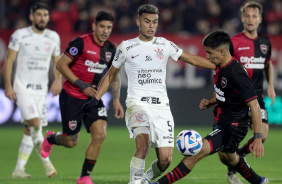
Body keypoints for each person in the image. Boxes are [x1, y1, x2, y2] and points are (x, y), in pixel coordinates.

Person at [83, 4, 215, 184]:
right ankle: (134, 182)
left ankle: (145, 181)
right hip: (137, 104)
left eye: (154, 22)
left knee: (165, 160)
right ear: (138, 22)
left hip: (161, 108)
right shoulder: (126, 47)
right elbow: (111, 74)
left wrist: (220, 65)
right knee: (143, 144)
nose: (151, 25)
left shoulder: (164, 44)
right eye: (147, 21)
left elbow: (191, 58)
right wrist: (96, 99)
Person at [143, 31, 269, 184]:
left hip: (233, 127)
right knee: (228, 158)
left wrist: (257, 137)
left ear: (222, 51)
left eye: (210, 53)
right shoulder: (221, 66)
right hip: (223, 121)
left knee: (193, 155)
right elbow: (224, 90)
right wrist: (211, 101)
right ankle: (259, 181)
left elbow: (254, 105)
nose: (207, 57)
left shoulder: (237, 74)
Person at [40, 11, 124, 184]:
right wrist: (82, 85)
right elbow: (61, 64)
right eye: (102, 26)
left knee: (100, 134)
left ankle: (84, 176)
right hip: (72, 96)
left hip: (93, 98)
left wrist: (116, 99)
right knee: (71, 142)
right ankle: (50, 139)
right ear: (94, 26)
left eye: (109, 27)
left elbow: (114, 76)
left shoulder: (111, 50)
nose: (105, 31)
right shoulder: (80, 43)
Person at [3, 2, 61, 178]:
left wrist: (58, 80)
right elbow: (9, 60)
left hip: (41, 91)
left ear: (48, 17)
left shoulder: (53, 37)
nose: (42, 18)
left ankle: (18, 170)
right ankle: (48, 164)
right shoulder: (20, 35)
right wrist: (8, 85)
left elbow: (57, 62)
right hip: (22, 89)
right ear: (31, 17)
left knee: (30, 130)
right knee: (35, 124)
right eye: (39, 15)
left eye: (45, 15)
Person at [225, 2, 276, 183]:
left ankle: (236, 162)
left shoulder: (265, 42)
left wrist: (271, 85)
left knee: (261, 135)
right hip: (237, 98)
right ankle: (234, 163)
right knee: (230, 139)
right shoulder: (234, 42)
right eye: (247, 16)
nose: (250, 19)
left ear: (260, 19)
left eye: (254, 16)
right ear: (242, 18)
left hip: (257, 96)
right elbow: (224, 67)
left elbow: (268, 63)